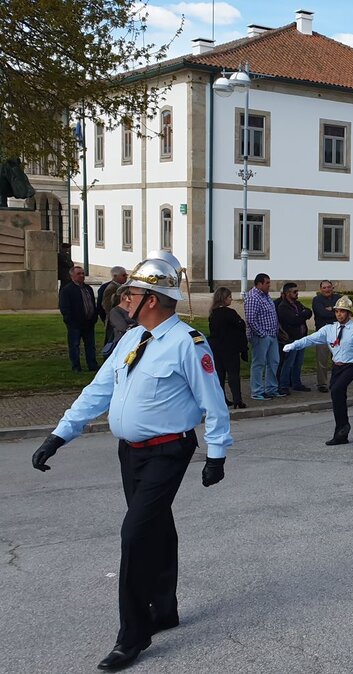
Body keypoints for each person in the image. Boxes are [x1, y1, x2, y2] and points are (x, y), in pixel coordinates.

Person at [31, 251, 231, 670]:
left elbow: (214, 403)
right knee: (155, 525)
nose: (123, 301)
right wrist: (59, 435)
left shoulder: (187, 344)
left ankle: (133, 635)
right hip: (131, 453)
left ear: (152, 299)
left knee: (134, 535)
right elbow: (97, 391)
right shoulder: (132, 339)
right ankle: (165, 607)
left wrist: (217, 453)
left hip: (168, 450)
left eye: (131, 294)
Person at [284, 296, 353, 445]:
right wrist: (294, 345)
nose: (339, 314)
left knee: (337, 390)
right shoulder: (329, 329)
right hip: (337, 367)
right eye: (337, 311)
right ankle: (341, 432)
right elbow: (311, 339)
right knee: (337, 396)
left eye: (343, 311)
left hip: (351, 365)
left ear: (349, 313)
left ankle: (344, 426)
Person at [208, 286, 248, 409]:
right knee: (233, 374)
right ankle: (237, 399)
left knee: (220, 374)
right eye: (230, 297)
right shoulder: (230, 313)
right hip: (230, 348)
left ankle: (222, 399)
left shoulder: (213, 314)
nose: (231, 299)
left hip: (217, 348)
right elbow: (241, 326)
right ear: (224, 299)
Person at [244, 273, 281, 401]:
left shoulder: (266, 296)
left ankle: (271, 388)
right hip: (261, 336)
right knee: (259, 363)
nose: (269, 285)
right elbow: (250, 319)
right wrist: (261, 333)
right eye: (267, 283)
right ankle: (257, 391)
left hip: (272, 334)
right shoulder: (253, 297)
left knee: (274, 361)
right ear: (259, 284)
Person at [58, 264, 99, 372]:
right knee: (74, 346)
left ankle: (92, 365)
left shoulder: (88, 288)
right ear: (72, 276)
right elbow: (64, 307)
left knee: (90, 346)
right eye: (79, 274)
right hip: (75, 324)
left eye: (83, 273)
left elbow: (92, 304)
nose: (82, 276)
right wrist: (70, 321)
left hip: (89, 323)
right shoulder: (67, 290)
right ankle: (76, 367)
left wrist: (94, 317)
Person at [276, 283, 313, 394]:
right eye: (294, 292)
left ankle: (296, 383)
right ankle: (283, 385)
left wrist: (301, 315)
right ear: (288, 293)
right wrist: (302, 315)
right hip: (291, 339)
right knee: (288, 362)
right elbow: (293, 320)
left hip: (301, 338)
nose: (297, 294)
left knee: (298, 362)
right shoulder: (283, 307)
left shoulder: (297, 304)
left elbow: (308, 312)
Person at [311, 280, 342, 392]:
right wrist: (335, 311)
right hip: (323, 335)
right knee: (322, 361)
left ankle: (336, 382)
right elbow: (322, 314)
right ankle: (322, 384)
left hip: (338, 334)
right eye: (324, 288)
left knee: (338, 360)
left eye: (329, 287)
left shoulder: (339, 298)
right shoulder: (316, 300)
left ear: (332, 288)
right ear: (320, 289)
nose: (327, 290)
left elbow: (344, 313)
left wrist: (331, 310)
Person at [105, 286, 136, 350]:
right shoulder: (115, 311)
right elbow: (123, 328)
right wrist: (136, 326)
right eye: (132, 294)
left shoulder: (135, 310)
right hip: (122, 344)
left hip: (135, 342)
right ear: (125, 296)